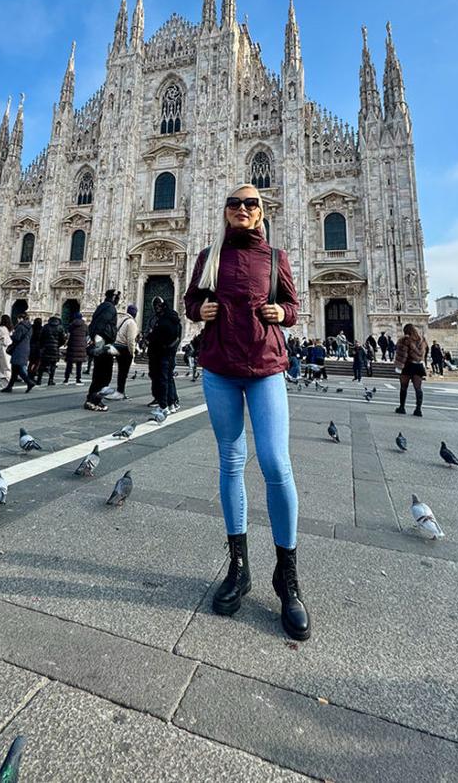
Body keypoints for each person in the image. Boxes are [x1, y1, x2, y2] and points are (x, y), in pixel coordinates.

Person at [184, 183, 310, 642]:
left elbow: (295, 306)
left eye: (250, 203)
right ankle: (238, 567)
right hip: (220, 367)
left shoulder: (276, 258)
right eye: (235, 203)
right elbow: (191, 302)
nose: (242, 209)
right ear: (225, 212)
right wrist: (201, 308)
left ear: (261, 212)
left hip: (265, 367)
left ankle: (287, 578)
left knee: (276, 463)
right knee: (231, 461)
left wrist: (284, 313)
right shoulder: (208, 256)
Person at [84, 290, 120, 411]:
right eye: (118, 297)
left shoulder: (102, 306)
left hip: (100, 343)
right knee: (104, 375)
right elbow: (101, 325)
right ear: (114, 297)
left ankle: (91, 398)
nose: (119, 300)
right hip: (104, 344)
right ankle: (94, 401)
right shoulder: (110, 308)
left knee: (99, 374)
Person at [147, 297, 182, 415]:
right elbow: (177, 337)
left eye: (158, 306)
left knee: (162, 379)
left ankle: (163, 405)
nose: (156, 309)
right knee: (168, 378)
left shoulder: (163, 321)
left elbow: (156, 337)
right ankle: (172, 403)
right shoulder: (175, 320)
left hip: (161, 354)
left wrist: (150, 338)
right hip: (170, 353)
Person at [394, 323, 427, 416]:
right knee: (418, 388)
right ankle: (418, 409)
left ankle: (402, 407)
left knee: (404, 387)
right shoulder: (422, 340)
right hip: (418, 366)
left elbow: (403, 354)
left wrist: (399, 366)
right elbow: (424, 353)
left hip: (408, 365)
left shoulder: (405, 340)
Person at [108, 303, 138, 400]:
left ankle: (120, 391)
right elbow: (131, 340)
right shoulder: (131, 323)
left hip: (116, 346)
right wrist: (132, 352)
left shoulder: (121, 320)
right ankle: (120, 391)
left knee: (121, 371)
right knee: (123, 372)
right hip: (124, 348)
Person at [1, 313, 35, 393]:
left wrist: (11, 335)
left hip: (19, 349)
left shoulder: (21, 326)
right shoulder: (30, 327)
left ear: (21, 319)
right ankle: (9, 387)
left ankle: (29, 382)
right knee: (15, 369)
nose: (17, 320)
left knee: (18, 368)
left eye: (18, 319)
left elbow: (16, 338)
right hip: (25, 348)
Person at [37, 315, 65, 385]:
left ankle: (39, 380)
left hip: (46, 348)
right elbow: (63, 339)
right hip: (55, 349)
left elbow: (41, 337)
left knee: (42, 364)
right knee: (53, 365)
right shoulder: (60, 327)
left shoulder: (46, 327)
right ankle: (50, 380)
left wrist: (42, 345)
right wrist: (58, 345)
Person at [64, 311, 87, 385]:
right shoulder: (85, 326)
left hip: (72, 346)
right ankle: (78, 379)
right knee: (79, 364)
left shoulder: (71, 325)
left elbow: (68, 333)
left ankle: (66, 378)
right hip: (81, 347)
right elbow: (87, 334)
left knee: (69, 363)